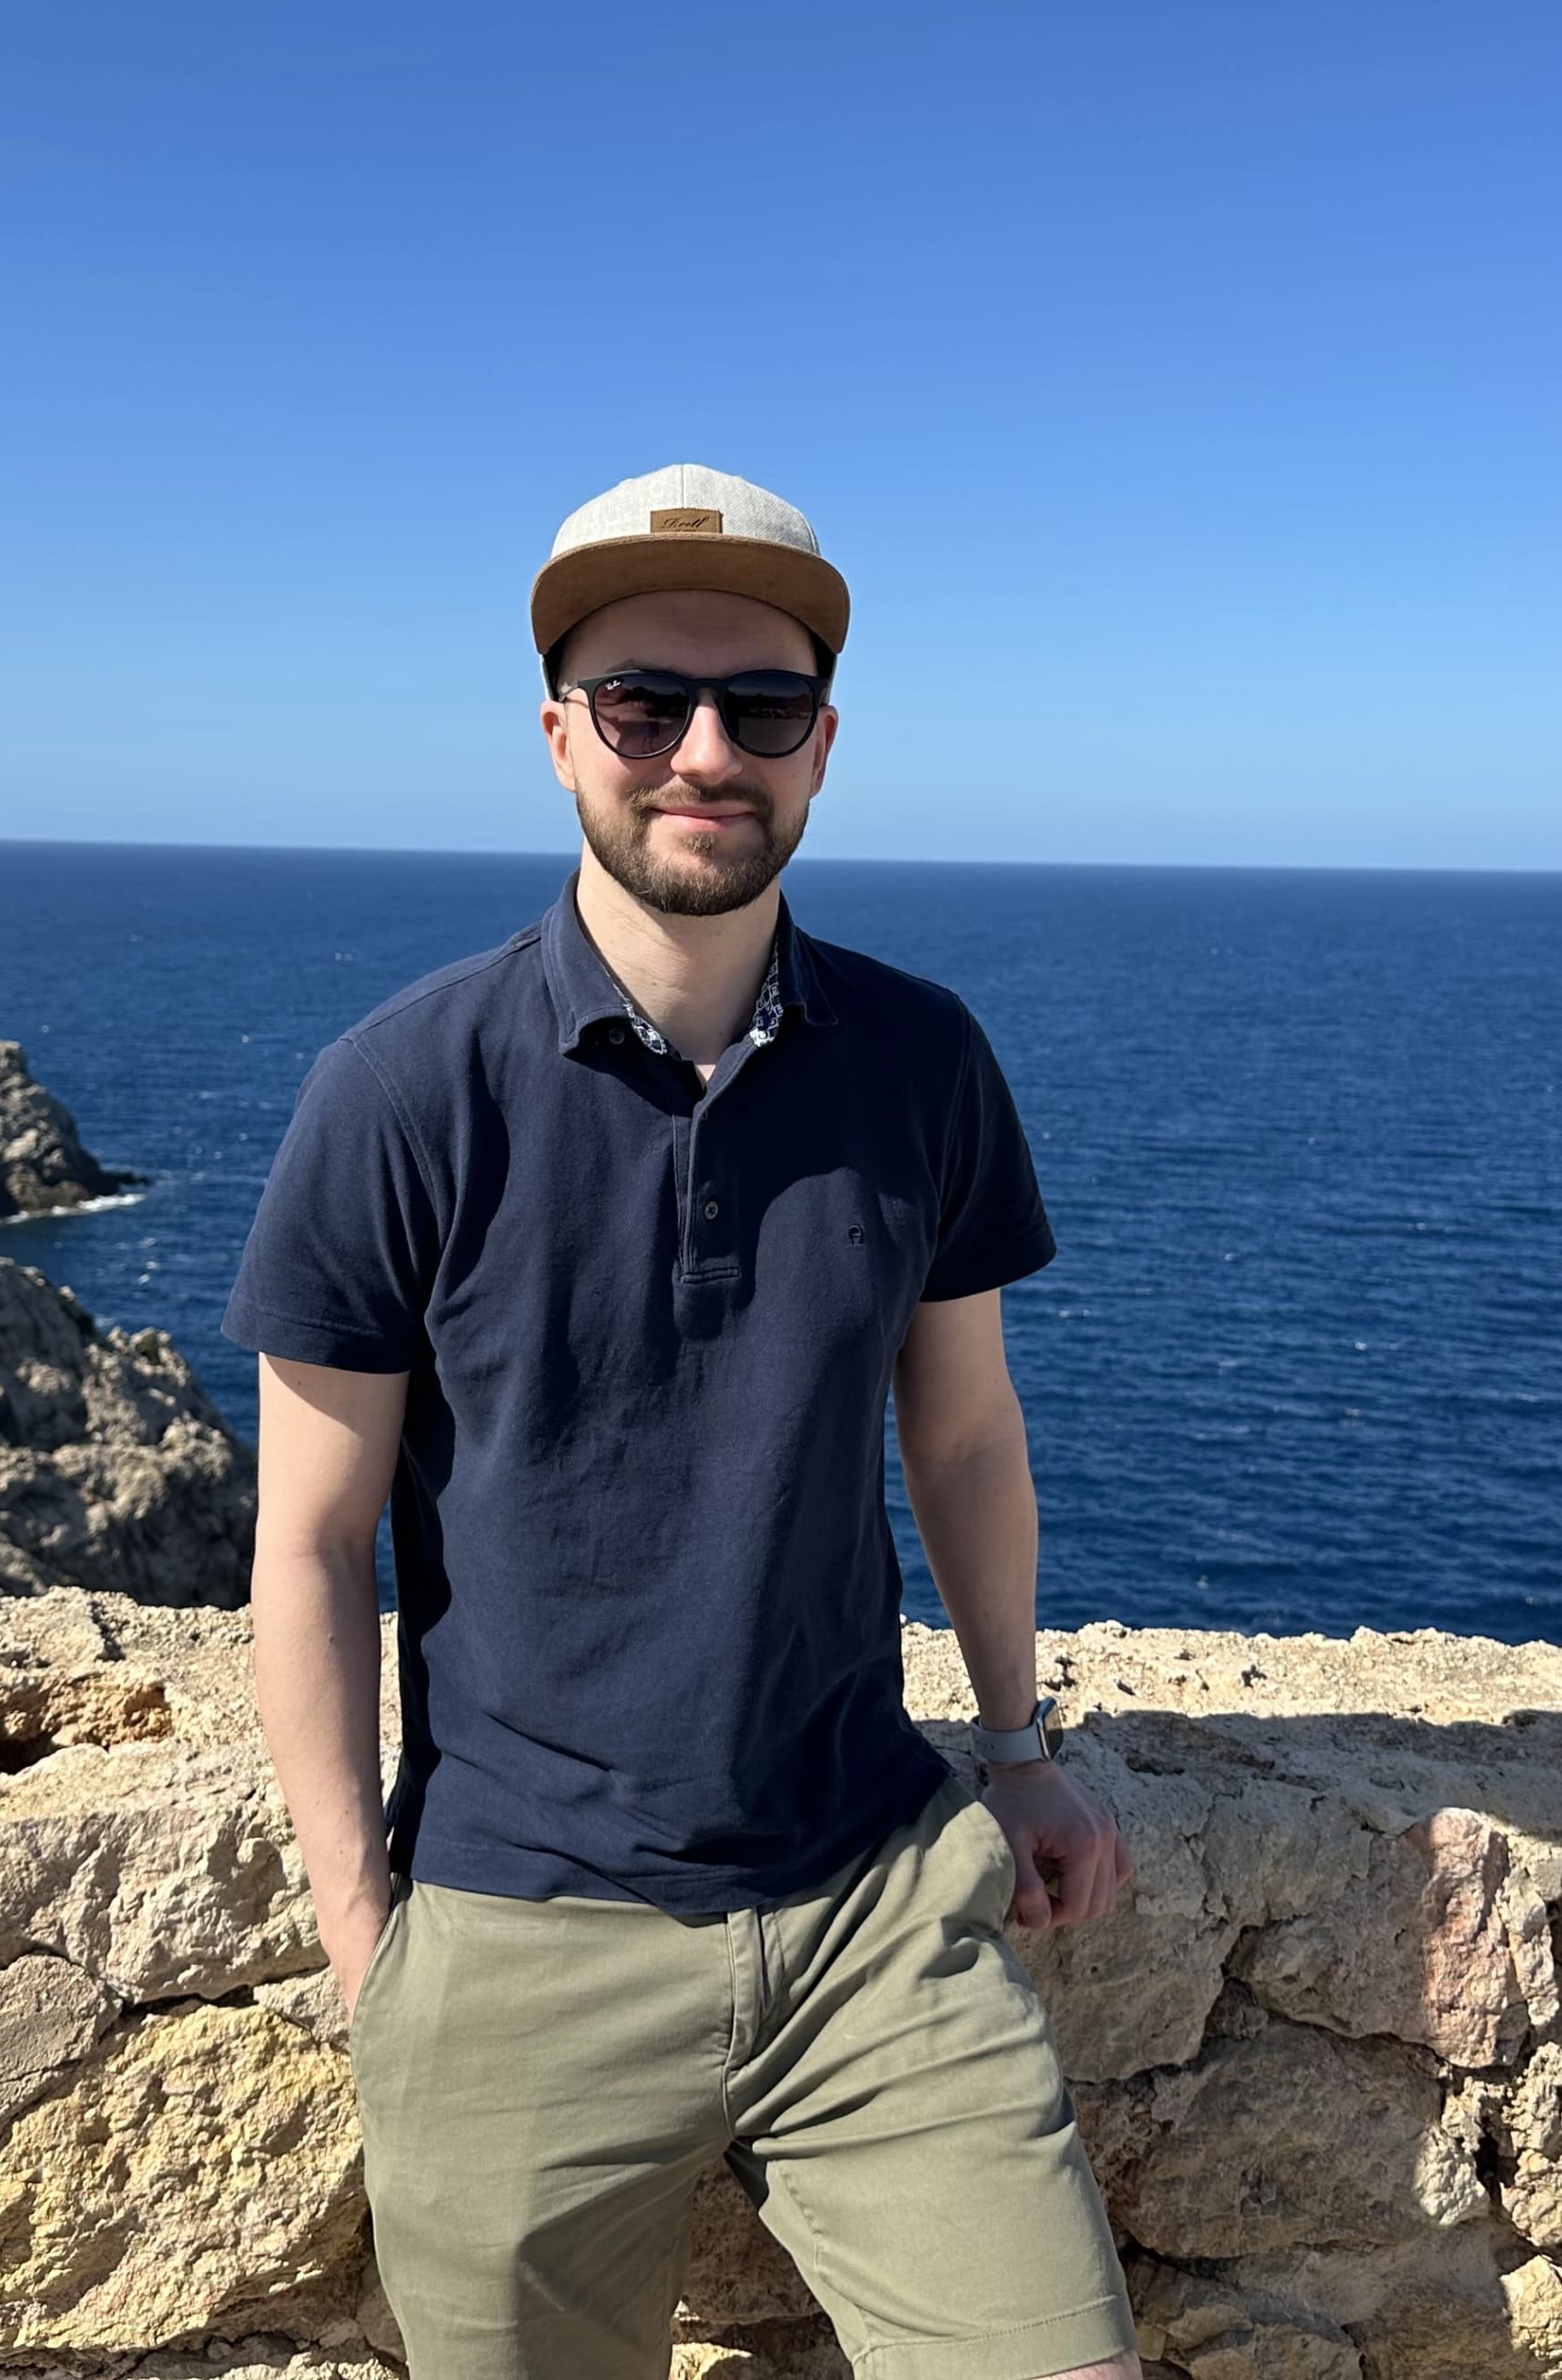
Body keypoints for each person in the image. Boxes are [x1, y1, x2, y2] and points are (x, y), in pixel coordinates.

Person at [226, 464, 1141, 2380]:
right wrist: (363, 1941)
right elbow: (308, 1537)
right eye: (647, 703)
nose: (705, 752)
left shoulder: (921, 1058)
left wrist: (1022, 1743)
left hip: (875, 1912)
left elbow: (962, 1435)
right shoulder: (402, 1092)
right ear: (561, 731)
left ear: (823, 749)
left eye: (763, 708)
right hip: (515, 1936)